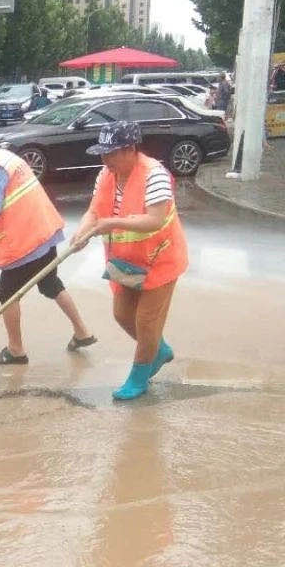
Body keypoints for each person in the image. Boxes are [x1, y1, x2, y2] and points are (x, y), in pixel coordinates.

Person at [0, 131, 95, 365]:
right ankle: (83, 333)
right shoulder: (3, 157)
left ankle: (16, 350)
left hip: (26, 239)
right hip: (44, 230)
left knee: (7, 292)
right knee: (50, 283)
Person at [70, 122, 187, 400]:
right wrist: (82, 232)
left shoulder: (155, 175)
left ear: (130, 149)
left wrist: (112, 223)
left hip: (160, 259)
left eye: (111, 153)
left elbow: (155, 219)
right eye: (102, 154)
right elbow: (94, 211)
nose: (105, 160)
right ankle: (158, 349)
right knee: (122, 315)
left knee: (146, 322)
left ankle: (139, 376)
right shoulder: (105, 175)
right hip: (126, 262)